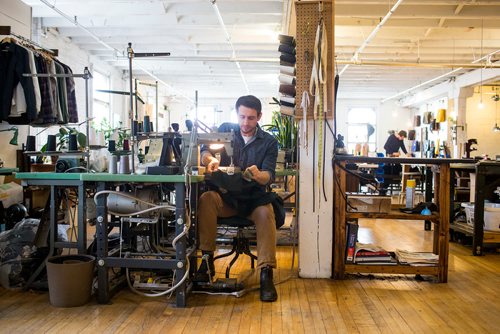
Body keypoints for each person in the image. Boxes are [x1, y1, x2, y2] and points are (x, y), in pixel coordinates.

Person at [195, 95, 279, 302]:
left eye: (251, 118)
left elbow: (270, 174)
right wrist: (210, 159)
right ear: (236, 114)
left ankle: (266, 272)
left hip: (253, 199)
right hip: (226, 198)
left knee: (266, 211)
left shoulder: (269, 142)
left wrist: (260, 175)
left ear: (259, 116)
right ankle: (206, 260)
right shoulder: (225, 130)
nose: (245, 123)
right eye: (242, 117)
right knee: (206, 199)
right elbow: (205, 149)